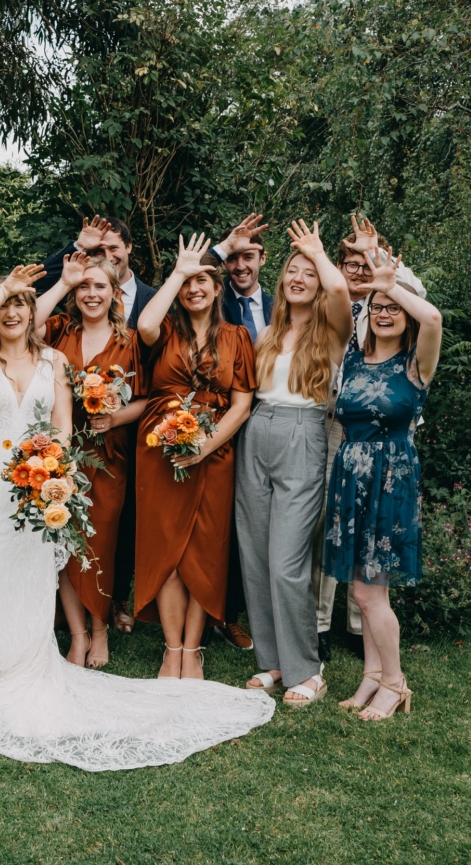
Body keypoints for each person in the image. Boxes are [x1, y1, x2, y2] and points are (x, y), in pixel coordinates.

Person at [0, 261, 275, 772]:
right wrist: (6, 287)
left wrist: (54, 473)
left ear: (34, 316)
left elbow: (64, 427)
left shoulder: (54, 362)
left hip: (39, 481)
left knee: (32, 574)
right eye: (6, 307)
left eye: (22, 306)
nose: (13, 314)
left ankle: (31, 660)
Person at [235, 220, 354, 708]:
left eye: (309, 273)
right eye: (292, 270)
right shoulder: (267, 331)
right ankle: (274, 661)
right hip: (256, 431)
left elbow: (341, 291)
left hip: (304, 432)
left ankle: (308, 670)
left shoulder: (333, 331)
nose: (298, 278)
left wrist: (318, 253)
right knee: (256, 557)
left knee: (287, 563)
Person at [324, 246, 441, 720]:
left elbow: (433, 317)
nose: (385, 314)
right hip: (351, 479)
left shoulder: (416, 363)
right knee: (364, 590)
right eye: (377, 308)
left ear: (405, 314)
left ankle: (394, 682)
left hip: (390, 481)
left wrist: (389, 285)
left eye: (394, 308)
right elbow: (339, 297)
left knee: (370, 593)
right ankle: (372, 676)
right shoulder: (353, 359)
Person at [134, 234, 257, 680]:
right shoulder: (165, 330)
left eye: (202, 280)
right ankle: (172, 650)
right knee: (166, 549)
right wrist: (178, 272)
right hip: (160, 451)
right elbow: (144, 324)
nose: (194, 289)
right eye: (188, 282)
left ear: (218, 287)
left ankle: (193, 649)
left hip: (214, 452)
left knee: (203, 552)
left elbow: (241, 405)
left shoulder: (237, 337)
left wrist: (205, 447)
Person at [311, 215, 430, 661]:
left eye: (367, 264)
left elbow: (420, 299)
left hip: (388, 432)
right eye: (352, 264)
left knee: (376, 534)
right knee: (334, 523)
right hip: (340, 425)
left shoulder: (392, 305)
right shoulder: (340, 307)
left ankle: (365, 629)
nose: (360, 271)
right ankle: (320, 624)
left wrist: (376, 253)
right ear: (340, 267)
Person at [35, 216, 157, 634]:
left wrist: (115, 417)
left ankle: (99, 628)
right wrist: (63, 281)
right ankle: (77, 631)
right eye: (84, 286)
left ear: (113, 293)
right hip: (62, 455)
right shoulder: (59, 331)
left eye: (100, 286)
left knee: (101, 541)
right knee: (64, 536)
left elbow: (147, 399)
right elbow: (28, 321)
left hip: (109, 457)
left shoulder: (129, 341)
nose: (91, 294)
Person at [207, 213, 274, 652]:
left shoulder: (282, 305)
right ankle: (216, 613)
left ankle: (246, 611)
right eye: (233, 257)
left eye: (248, 256)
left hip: (270, 422)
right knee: (220, 522)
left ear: (263, 259)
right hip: (219, 421)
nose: (240, 265)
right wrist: (220, 249)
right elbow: (192, 274)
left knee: (257, 524)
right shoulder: (213, 298)